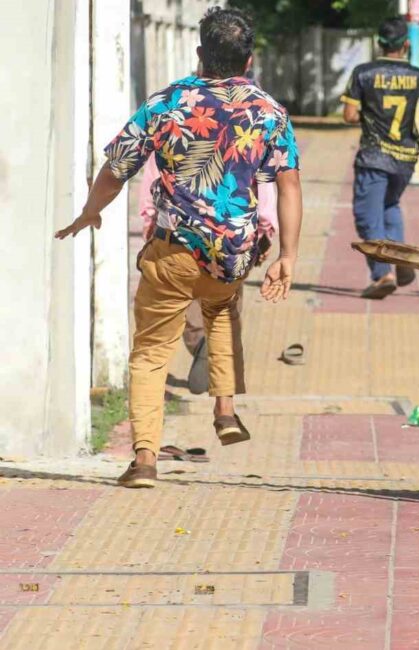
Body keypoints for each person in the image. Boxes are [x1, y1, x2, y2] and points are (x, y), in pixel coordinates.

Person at [55, 6, 303, 488]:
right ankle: (225, 411)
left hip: (173, 250)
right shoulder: (269, 111)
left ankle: (145, 460)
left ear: (199, 54)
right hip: (232, 254)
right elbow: (289, 185)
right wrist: (287, 256)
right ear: (249, 60)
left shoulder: (168, 102)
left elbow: (117, 166)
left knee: (150, 352)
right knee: (222, 312)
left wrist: (91, 210)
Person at [137, 155, 277, 395]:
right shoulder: (251, 128)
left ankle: (200, 342)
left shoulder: (170, 124)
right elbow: (264, 190)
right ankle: (220, 375)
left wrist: (151, 225)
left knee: (187, 299)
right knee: (226, 306)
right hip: (232, 234)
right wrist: (265, 233)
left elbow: (152, 183)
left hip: (180, 233)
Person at [341, 17, 419, 299]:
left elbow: (349, 115)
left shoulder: (363, 73)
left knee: (366, 217)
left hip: (374, 156)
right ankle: (400, 260)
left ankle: (383, 273)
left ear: (379, 43)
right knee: (390, 206)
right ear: (406, 45)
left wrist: (370, 118)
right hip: (405, 157)